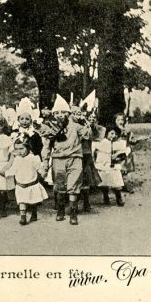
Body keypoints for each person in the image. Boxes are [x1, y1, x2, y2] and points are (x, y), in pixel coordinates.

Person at [39, 94, 92, 225]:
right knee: (60, 184)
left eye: (64, 112)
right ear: (53, 114)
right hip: (58, 159)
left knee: (74, 184)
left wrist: (85, 122)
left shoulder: (75, 126)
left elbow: (88, 135)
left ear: (68, 113)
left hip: (75, 157)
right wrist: (45, 164)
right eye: (57, 112)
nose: (61, 115)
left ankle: (73, 213)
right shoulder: (51, 128)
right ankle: (61, 210)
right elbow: (46, 147)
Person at [2, 134, 49, 225]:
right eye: (17, 149)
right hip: (20, 185)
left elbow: (38, 167)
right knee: (21, 201)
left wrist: (43, 172)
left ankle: (34, 213)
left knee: (33, 200)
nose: (19, 152)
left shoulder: (33, 158)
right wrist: (6, 173)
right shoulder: (17, 159)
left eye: (22, 149)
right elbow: (13, 169)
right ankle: (23, 217)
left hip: (32, 184)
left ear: (28, 147)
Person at [71, 106, 99, 213]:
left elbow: (95, 135)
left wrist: (88, 124)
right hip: (74, 155)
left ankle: (86, 202)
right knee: (75, 179)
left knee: (86, 178)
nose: (77, 115)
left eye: (79, 113)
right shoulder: (70, 127)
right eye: (74, 113)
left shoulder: (86, 125)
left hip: (85, 155)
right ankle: (75, 204)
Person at [94, 127, 128, 207]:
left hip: (114, 165)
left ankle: (118, 198)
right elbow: (98, 153)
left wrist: (118, 155)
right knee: (104, 181)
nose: (114, 136)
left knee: (116, 182)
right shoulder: (103, 143)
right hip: (104, 165)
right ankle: (106, 197)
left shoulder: (117, 143)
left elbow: (123, 152)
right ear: (107, 134)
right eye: (112, 133)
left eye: (115, 134)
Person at [113, 113, 136, 193]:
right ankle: (117, 184)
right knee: (118, 166)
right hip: (117, 150)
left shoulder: (127, 130)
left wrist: (132, 140)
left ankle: (124, 184)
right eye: (118, 120)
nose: (120, 121)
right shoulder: (114, 130)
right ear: (115, 121)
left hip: (125, 149)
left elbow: (130, 139)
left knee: (126, 167)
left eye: (122, 120)